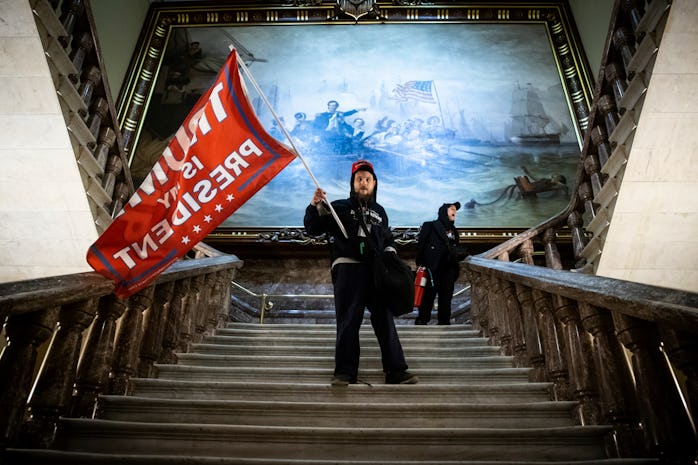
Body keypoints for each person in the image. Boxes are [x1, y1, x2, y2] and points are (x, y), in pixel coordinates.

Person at [304, 160, 418, 386]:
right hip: (348, 268)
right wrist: (314, 205)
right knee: (348, 320)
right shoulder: (338, 207)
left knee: (385, 320)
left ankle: (396, 371)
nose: (363, 182)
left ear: (374, 183)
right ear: (353, 183)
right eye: (359, 179)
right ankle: (345, 372)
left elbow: (387, 238)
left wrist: (390, 256)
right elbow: (313, 228)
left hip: (376, 271)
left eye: (367, 179)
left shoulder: (380, 212)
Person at [415, 202, 468, 325]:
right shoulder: (430, 226)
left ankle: (444, 322)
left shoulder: (454, 231)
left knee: (446, 298)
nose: (455, 211)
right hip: (432, 269)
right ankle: (422, 321)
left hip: (448, 269)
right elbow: (421, 245)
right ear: (444, 211)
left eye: (456, 210)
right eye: (452, 209)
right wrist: (421, 264)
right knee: (428, 297)